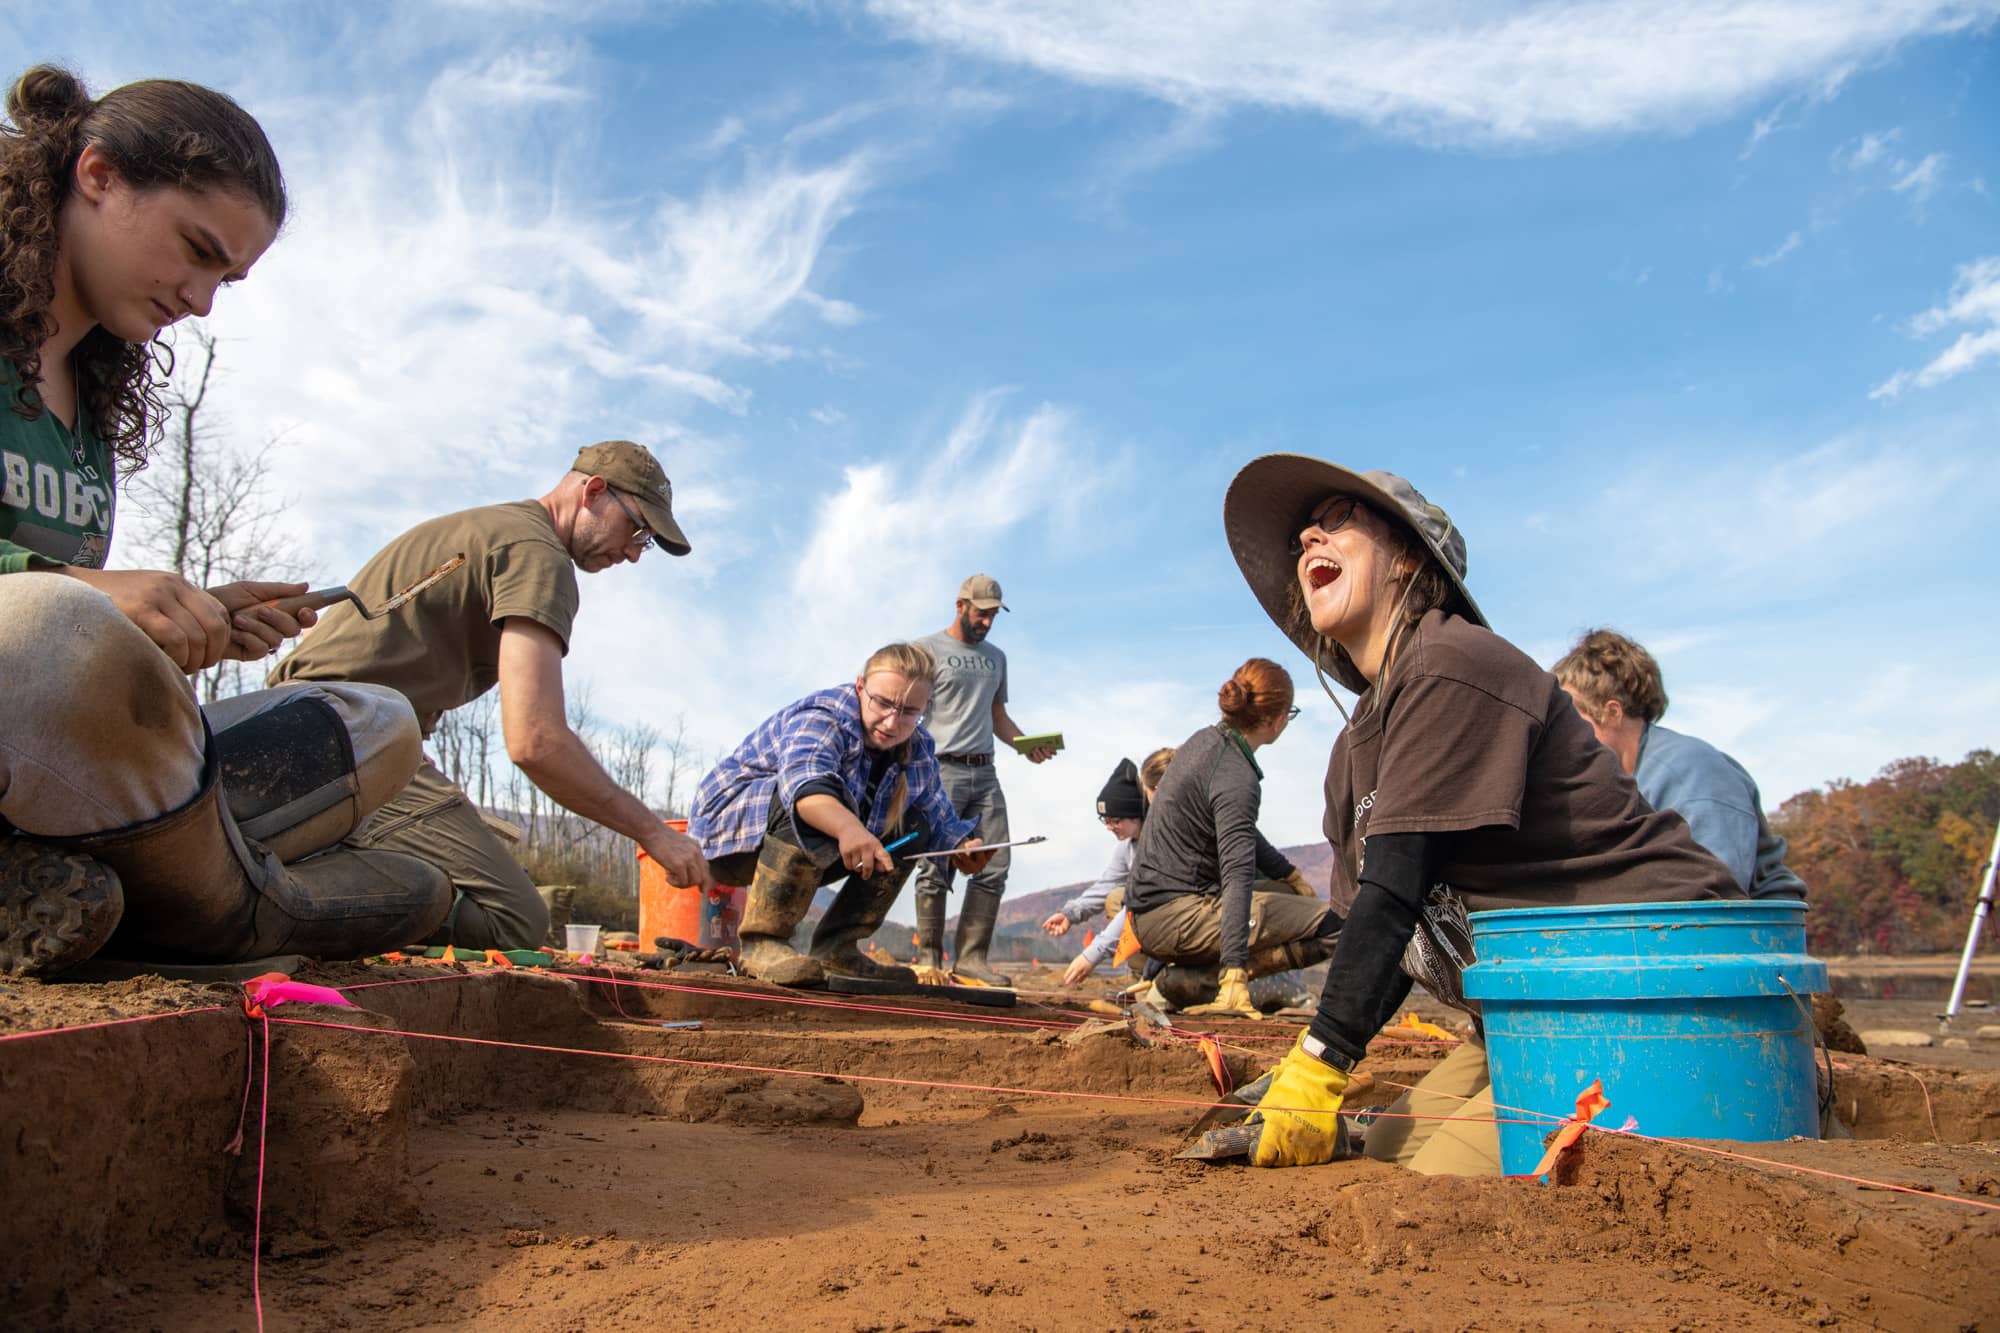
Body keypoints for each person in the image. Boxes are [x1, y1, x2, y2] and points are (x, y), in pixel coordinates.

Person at [0, 65, 448, 977]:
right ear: (97, 176)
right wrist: (91, 596)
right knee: (58, 631)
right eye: (196, 249)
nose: (201, 301)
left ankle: (80, 885)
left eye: (226, 280)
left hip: (39, 768)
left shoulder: (85, 404)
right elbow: (46, 633)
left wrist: (186, 621)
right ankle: (235, 909)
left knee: (376, 721)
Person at [1219, 456, 1741, 1174]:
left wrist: (1323, 1058)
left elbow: (1396, 884)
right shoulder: (1353, 749)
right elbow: (1390, 935)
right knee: (1393, 1145)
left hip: (1651, 995)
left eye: (1339, 518)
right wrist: (1311, 1065)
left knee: (1428, 1189)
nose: (1310, 534)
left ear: (1406, 559)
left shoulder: (1453, 662)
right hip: (1522, 1021)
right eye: (1303, 535)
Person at [268, 441, 709, 950]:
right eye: (637, 530)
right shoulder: (538, 555)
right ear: (593, 491)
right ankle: (269, 899)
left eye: (646, 543)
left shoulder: (497, 529)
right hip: (349, 736)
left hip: (307, 722)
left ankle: (302, 861)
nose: (634, 552)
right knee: (513, 919)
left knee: (479, 859)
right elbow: (536, 740)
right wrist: (653, 833)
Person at [689, 642, 991, 986]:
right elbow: (805, 783)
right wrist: (850, 828)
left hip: (822, 843)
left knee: (914, 826)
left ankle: (838, 948)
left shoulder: (918, 745)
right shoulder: (824, 715)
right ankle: (764, 942)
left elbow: (938, 817)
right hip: (732, 840)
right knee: (815, 803)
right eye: (883, 703)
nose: (893, 721)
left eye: (909, 711)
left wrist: (961, 848)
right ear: (861, 687)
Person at [1124, 659, 1335, 1018]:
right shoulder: (1237, 775)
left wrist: (1289, 876)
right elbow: (1237, 874)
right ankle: (1203, 984)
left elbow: (1243, 832)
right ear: (1277, 719)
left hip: (1150, 915)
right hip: (1177, 918)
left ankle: (1187, 979)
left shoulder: (1204, 742)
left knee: (1286, 896)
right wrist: (1236, 972)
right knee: (1339, 926)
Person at [1553, 629, 1807, 900]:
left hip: (1749, 938)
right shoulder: (1622, 784)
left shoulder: (1689, 773)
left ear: (1612, 712)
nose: (1564, 738)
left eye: (1572, 722)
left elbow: (1714, 891)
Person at [910, 574, 1055, 984]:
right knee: (936, 863)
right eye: (981, 613)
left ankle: (971, 961)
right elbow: (913, 711)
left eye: (993, 615)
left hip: (985, 772)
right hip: (941, 771)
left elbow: (997, 718)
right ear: (960, 606)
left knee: (995, 861)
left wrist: (1026, 744)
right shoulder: (926, 650)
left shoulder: (996, 658)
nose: (987, 622)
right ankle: (929, 960)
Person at [1047, 748, 1175, 987]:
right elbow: (1106, 885)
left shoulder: (1158, 842)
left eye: (1116, 821)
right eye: (1105, 821)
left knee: (1123, 900)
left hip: (1174, 913)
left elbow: (1140, 903)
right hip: (1158, 915)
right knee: (1116, 896)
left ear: (1137, 814)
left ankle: (1163, 975)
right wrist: (1070, 914)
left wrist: (1093, 953)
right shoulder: (1127, 845)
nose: (1110, 827)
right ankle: (1146, 976)